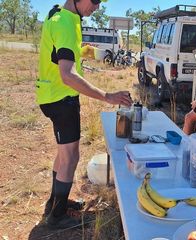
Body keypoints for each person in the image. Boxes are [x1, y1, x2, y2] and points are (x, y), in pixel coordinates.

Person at [36, 0, 132, 229]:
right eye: (95, 0)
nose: (97, 6)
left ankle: (55, 202)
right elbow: (67, 75)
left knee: (64, 154)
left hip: (51, 95)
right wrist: (107, 95)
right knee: (71, 156)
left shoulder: (61, 15)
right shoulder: (65, 23)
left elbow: (58, 53)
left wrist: (82, 51)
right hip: (61, 98)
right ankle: (57, 216)